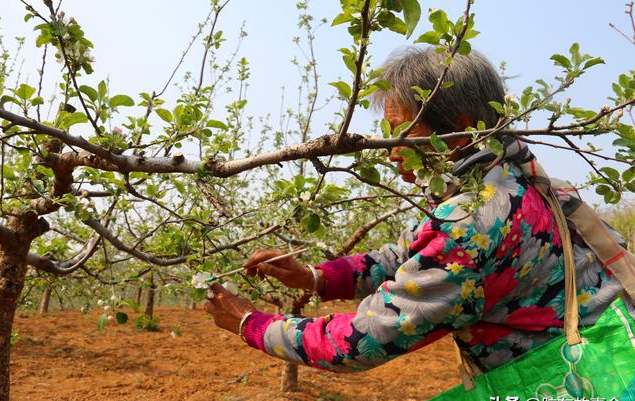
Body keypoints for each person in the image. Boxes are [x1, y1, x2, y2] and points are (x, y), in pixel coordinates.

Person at [203, 47, 625, 375]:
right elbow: (406, 255)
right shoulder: (507, 175)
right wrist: (314, 277)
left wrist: (250, 323)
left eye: (404, 132)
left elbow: (363, 339)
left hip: (573, 383)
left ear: (460, 127)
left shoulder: (474, 220)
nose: (389, 152)